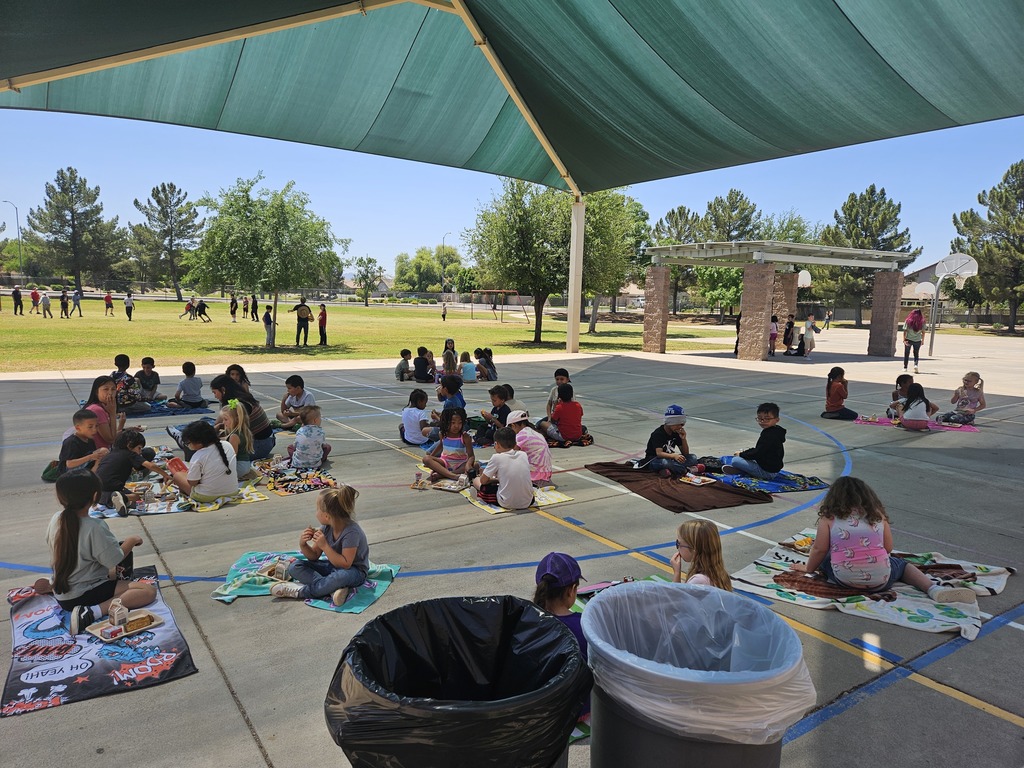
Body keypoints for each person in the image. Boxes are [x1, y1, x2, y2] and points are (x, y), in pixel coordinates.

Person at [788, 476, 977, 604]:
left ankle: (827, 568)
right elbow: (888, 548)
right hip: (882, 580)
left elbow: (820, 549)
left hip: (844, 580)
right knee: (901, 565)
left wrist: (809, 568)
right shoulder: (877, 515)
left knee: (826, 552)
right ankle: (932, 589)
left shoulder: (829, 517)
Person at [46, 469, 158, 635]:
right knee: (147, 592)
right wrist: (131, 541)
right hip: (81, 595)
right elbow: (114, 559)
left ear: (60, 497)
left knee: (111, 574)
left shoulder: (57, 518)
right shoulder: (95, 527)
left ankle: (49, 584)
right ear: (94, 496)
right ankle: (93, 612)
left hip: (62, 591)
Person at [271, 486, 369, 604]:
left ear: (327, 516)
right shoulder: (326, 528)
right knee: (295, 567)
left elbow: (346, 564)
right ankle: (330, 589)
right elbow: (314, 556)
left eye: (317, 509)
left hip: (354, 572)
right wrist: (303, 544)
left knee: (340, 577)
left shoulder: (351, 532)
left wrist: (325, 546)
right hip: (333, 568)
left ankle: (300, 592)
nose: (316, 513)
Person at [97, 430, 172, 515]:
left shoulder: (109, 454)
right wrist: (165, 475)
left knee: (105, 496)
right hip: (114, 485)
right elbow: (151, 466)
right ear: (129, 445)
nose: (140, 452)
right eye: (139, 448)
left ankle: (115, 501)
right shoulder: (130, 454)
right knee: (135, 497)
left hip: (97, 487)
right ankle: (122, 498)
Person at [209, 374, 276, 459]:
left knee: (218, 452)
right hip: (266, 440)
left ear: (223, 390)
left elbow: (232, 430)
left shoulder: (240, 405)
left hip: (260, 444)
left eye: (215, 392)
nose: (215, 396)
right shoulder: (240, 398)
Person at [168, 420, 238, 501]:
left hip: (207, 496)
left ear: (199, 442)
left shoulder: (198, 456)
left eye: (188, 443)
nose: (188, 446)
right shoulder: (227, 445)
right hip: (232, 491)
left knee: (177, 476)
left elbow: (192, 482)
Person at [472, 427, 534, 509]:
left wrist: (494, 480)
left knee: (476, 480)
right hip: (528, 501)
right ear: (515, 443)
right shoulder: (523, 454)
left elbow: (483, 481)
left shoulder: (496, 458)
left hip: (506, 502)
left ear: (496, 444)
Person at [723, 402, 785, 480]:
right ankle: (745, 468)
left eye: (767, 418)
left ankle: (743, 472)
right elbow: (760, 450)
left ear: (777, 420)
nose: (762, 421)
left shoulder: (769, 435)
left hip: (767, 472)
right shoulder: (777, 431)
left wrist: (741, 454)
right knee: (747, 455)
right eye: (760, 418)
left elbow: (758, 453)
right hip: (772, 468)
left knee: (735, 460)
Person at [671, 519, 732, 590]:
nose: (678, 548)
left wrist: (677, 573)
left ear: (694, 550)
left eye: (678, 543)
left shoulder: (699, 581)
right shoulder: (720, 573)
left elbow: (675, 598)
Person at [423, 407, 475, 484]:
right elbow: (441, 445)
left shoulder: (464, 436)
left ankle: (443, 474)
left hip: (460, 463)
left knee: (475, 465)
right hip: (445, 462)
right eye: (453, 423)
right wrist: (431, 457)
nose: (456, 426)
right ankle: (453, 475)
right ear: (446, 422)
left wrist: (468, 465)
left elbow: (471, 456)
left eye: (460, 423)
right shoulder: (443, 434)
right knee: (426, 459)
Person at [643, 404, 697, 477]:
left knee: (693, 457)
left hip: (671, 459)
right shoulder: (658, 433)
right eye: (679, 424)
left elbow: (685, 453)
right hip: (655, 460)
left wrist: (683, 439)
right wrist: (674, 456)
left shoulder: (676, 432)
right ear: (671, 422)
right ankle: (686, 470)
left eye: (682, 424)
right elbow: (659, 453)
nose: (681, 427)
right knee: (665, 463)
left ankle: (670, 470)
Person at [506, 410, 552, 486]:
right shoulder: (534, 432)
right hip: (545, 473)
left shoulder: (521, 436)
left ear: (513, 426)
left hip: (535, 476)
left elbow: (509, 453)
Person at [58, 410, 109, 475]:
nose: (94, 430)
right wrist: (90, 457)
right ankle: (92, 477)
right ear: (78, 428)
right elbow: (69, 464)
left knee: (104, 452)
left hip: (84, 466)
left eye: (96, 426)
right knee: (103, 451)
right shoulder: (71, 442)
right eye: (90, 427)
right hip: (69, 473)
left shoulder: (90, 439)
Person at [82, 375, 125, 450]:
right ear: (96, 392)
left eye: (113, 389)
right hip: (99, 455)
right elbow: (111, 439)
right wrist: (112, 414)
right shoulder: (97, 410)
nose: (110, 393)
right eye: (106, 389)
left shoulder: (102, 408)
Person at [425, 375, 466, 441]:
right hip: (458, 427)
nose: (440, 388)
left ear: (446, 389)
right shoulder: (456, 399)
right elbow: (450, 415)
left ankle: (445, 440)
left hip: (451, 431)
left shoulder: (448, 402)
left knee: (425, 431)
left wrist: (435, 417)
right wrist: (439, 414)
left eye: (441, 386)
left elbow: (445, 423)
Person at [221, 400, 255, 478]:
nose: (223, 422)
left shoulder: (234, 436)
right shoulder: (241, 431)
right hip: (245, 464)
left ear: (236, 419)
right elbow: (225, 439)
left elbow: (232, 457)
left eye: (225, 419)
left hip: (239, 467)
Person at [902, 308, 926, 373]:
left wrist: (904, 340)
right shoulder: (922, 322)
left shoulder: (908, 321)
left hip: (908, 339)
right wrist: (922, 340)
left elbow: (905, 331)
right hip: (917, 340)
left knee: (906, 353)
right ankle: (916, 365)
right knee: (916, 353)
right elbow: (923, 332)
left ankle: (905, 367)